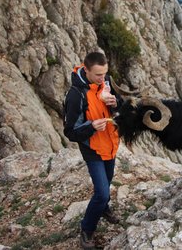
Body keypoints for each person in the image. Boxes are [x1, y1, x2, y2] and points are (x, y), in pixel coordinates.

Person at [64, 52, 122, 249]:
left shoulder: (106, 82)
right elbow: (70, 131)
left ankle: (103, 209)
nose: (102, 78)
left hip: (111, 144)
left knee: (107, 182)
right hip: (93, 150)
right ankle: (86, 231)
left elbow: (119, 107)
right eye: (98, 74)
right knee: (102, 193)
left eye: (105, 73)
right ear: (86, 70)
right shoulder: (76, 95)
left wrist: (116, 103)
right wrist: (91, 127)